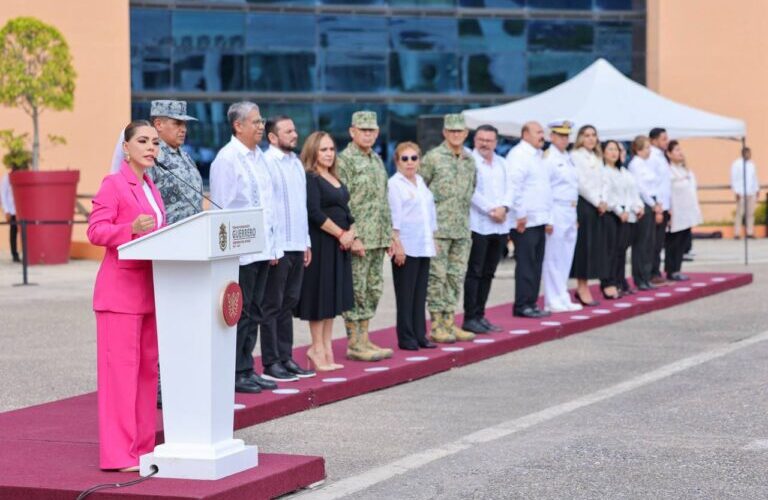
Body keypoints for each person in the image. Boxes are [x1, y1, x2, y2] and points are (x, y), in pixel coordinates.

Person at [87, 120, 165, 471]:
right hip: (119, 296)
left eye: (155, 143)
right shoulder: (114, 184)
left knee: (146, 374)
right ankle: (119, 455)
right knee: (120, 377)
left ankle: (143, 448)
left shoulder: (152, 186)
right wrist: (128, 229)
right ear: (127, 146)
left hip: (150, 293)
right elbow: (95, 231)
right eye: (144, 141)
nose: (152, 148)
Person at [209, 101, 281, 394]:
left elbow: (269, 205)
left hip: (262, 248)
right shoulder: (227, 159)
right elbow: (223, 208)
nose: (261, 126)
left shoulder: (259, 157)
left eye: (262, 121)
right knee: (240, 313)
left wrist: (273, 247)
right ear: (238, 126)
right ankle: (235, 372)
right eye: (255, 122)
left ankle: (247, 367)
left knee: (256, 310)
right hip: (241, 253)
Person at [337, 111, 397, 362]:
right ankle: (354, 342)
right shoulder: (344, 160)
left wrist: (390, 234)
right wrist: (355, 235)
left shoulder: (376, 159)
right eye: (363, 130)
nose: (368, 134)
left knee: (373, 289)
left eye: (372, 130)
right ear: (352, 132)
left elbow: (383, 200)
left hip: (378, 237)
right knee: (357, 290)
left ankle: (364, 338)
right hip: (359, 238)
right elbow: (342, 201)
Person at [260, 116, 315, 382]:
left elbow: (300, 206)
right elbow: (266, 209)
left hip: (296, 244)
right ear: (272, 137)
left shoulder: (296, 164)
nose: (295, 134)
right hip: (277, 247)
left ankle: (286, 357)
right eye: (288, 131)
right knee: (272, 304)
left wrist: (306, 241)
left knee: (289, 303)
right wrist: (271, 247)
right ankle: (271, 363)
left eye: (295, 129)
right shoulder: (266, 163)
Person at [296, 131, 356, 371]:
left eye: (332, 149)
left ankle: (327, 348)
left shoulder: (334, 177)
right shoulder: (311, 178)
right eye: (324, 150)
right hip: (322, 245)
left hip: (340, 246)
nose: (329, 154)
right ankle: (316, 348)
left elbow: (347, 210)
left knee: (332, 299)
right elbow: (315, 213)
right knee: (319, 298)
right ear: (313, 152)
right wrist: (341, 234)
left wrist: (352, 232)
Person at [420, 114, 477, 343]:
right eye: (451, 131)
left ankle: (450, 322)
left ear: (465, 134)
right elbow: (420, 190)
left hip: (462, 229)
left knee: (455, 276)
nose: (456, 135)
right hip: (439, 230)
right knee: (437, 277)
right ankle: (436, 324)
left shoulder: (469, 160)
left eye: (460, 131)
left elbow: (472, 189)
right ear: (444, 133)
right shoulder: (432, 158)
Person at [388, 142, 438, 350]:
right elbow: (394, 218)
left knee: (419, 294)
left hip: (423, 244)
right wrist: (396, 245)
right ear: (397, 162)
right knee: (406, 295)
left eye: (414, 158)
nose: (410, 163)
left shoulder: (421, 182)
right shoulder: (394, 184)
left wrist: (433, 238)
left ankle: (420, 335)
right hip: (405, 247)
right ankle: (406, 337)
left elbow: (430, 213)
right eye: (404, 159)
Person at [462, 124, 510, 333]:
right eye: (481, 139)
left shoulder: (502, 163)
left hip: (499, 227)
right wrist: (492, 209)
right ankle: (470, 317)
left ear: (496, 142)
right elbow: (470, 191)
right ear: (475, 140)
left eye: (489, 140)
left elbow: (511, 188)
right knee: (475, 272)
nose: (485, 143)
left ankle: (480, 315)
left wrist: (504, 207)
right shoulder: (468, 162)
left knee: (489, 272)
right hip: (478, 225)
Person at [507, 121, 553, 318]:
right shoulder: (519, 155)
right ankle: (522, 305)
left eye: (542, 132)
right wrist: (520, 214)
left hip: (539, 219)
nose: (542, 136)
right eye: (538, 132)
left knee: (536, 263)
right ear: (525, 134)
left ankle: (531, 302)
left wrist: (548, 217)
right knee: (526, 264)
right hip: (525, 220)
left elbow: (543, 189)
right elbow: (514, 187)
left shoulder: (538, 156)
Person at [542, 120, 581, 312]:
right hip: (556, 209)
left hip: (570, 209)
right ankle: (552, 298)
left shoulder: (567, 156)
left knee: (566, 256)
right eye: (561, 135)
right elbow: (545, 189)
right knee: (553, 256)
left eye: (567, 135)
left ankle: (562, 294)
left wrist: (575, 216)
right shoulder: (548, 158)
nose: (565, 139)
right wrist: (548, 218)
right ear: (552, 136)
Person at [145, 100, 204, 225]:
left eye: (184, 124)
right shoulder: (150, 156)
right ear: (158, 124)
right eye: (177, 123)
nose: (183, 129)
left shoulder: (186, 156)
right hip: (168, 236)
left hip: (195, 233)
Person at [602, 140, 644, 297]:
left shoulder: (622, 172)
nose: (614, 153)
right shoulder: (604, 171)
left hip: (625, 215)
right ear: (603, 153)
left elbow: (629, 194)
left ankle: (619, 281)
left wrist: (630, 209)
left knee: (621, 251)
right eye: (610, 149)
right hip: (613, 214)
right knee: (611, 252)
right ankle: (610, 282)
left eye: (617, 150)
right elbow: (608, 196)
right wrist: (620, 211)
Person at [570, 125, 604, 306]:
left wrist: (603, 199)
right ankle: (581, 286)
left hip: (597, 205)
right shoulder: (576, 156)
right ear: (580, 138)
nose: (591, 139)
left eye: (594, 135)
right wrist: (597, 201)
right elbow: (580, 183)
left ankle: (586, 284)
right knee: (583, 247)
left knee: (593, 248)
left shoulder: (596, 157)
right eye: (587, 135)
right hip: (585, 204)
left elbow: (603, 180)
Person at [666, 140, 702, 280]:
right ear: (669, 154)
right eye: (676, 150)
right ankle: (671, 270)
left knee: (682, 242)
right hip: (675, 212)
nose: (680, 153)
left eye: (680, 150)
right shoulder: (668, 171)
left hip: (687, 212)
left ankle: (677, 268)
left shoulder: (685, 170)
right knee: (673, 242)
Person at [627, 135, 658, 291]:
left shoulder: (645, 164)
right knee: (641, 244)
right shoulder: (636, 165)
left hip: (650, 202)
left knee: (649, 243)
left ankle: (646, 276)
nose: (649, 151)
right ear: (638, 149)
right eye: (646, 148)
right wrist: (652, 204)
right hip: (643, 204)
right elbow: (640, 188)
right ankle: (640, 278)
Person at [648, 127, 671, 285]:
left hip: (665, 205)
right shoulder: (652, 157)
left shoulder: (662, 156)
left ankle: (656, 271)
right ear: (653, 140)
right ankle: (651, 272)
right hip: (658, 206)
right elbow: (653, 185)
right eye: (663, 139)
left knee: (659, 242)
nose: (666, 141)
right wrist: (659, 207)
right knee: (653, 243)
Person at [730, 147, 760, 239]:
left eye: (750, 153)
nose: (749, 155)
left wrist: (757, 189)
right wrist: (736, 191)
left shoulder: (752, 164)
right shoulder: (736, 164)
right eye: (748, 153)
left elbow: (754, 178)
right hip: (741, 192)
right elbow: (733, 179)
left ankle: (750, 232)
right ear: (743, 153)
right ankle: (737, 233)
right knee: (740, 213)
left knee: (750, 213)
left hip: (751, 192)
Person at [0, 164, 20, 263]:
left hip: (21, 211)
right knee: (13, 233)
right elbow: (2, 195)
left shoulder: (21, 177)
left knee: (25, 233)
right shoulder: (6, 178)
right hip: (12, 211)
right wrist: (6, 211)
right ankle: (14, 255)